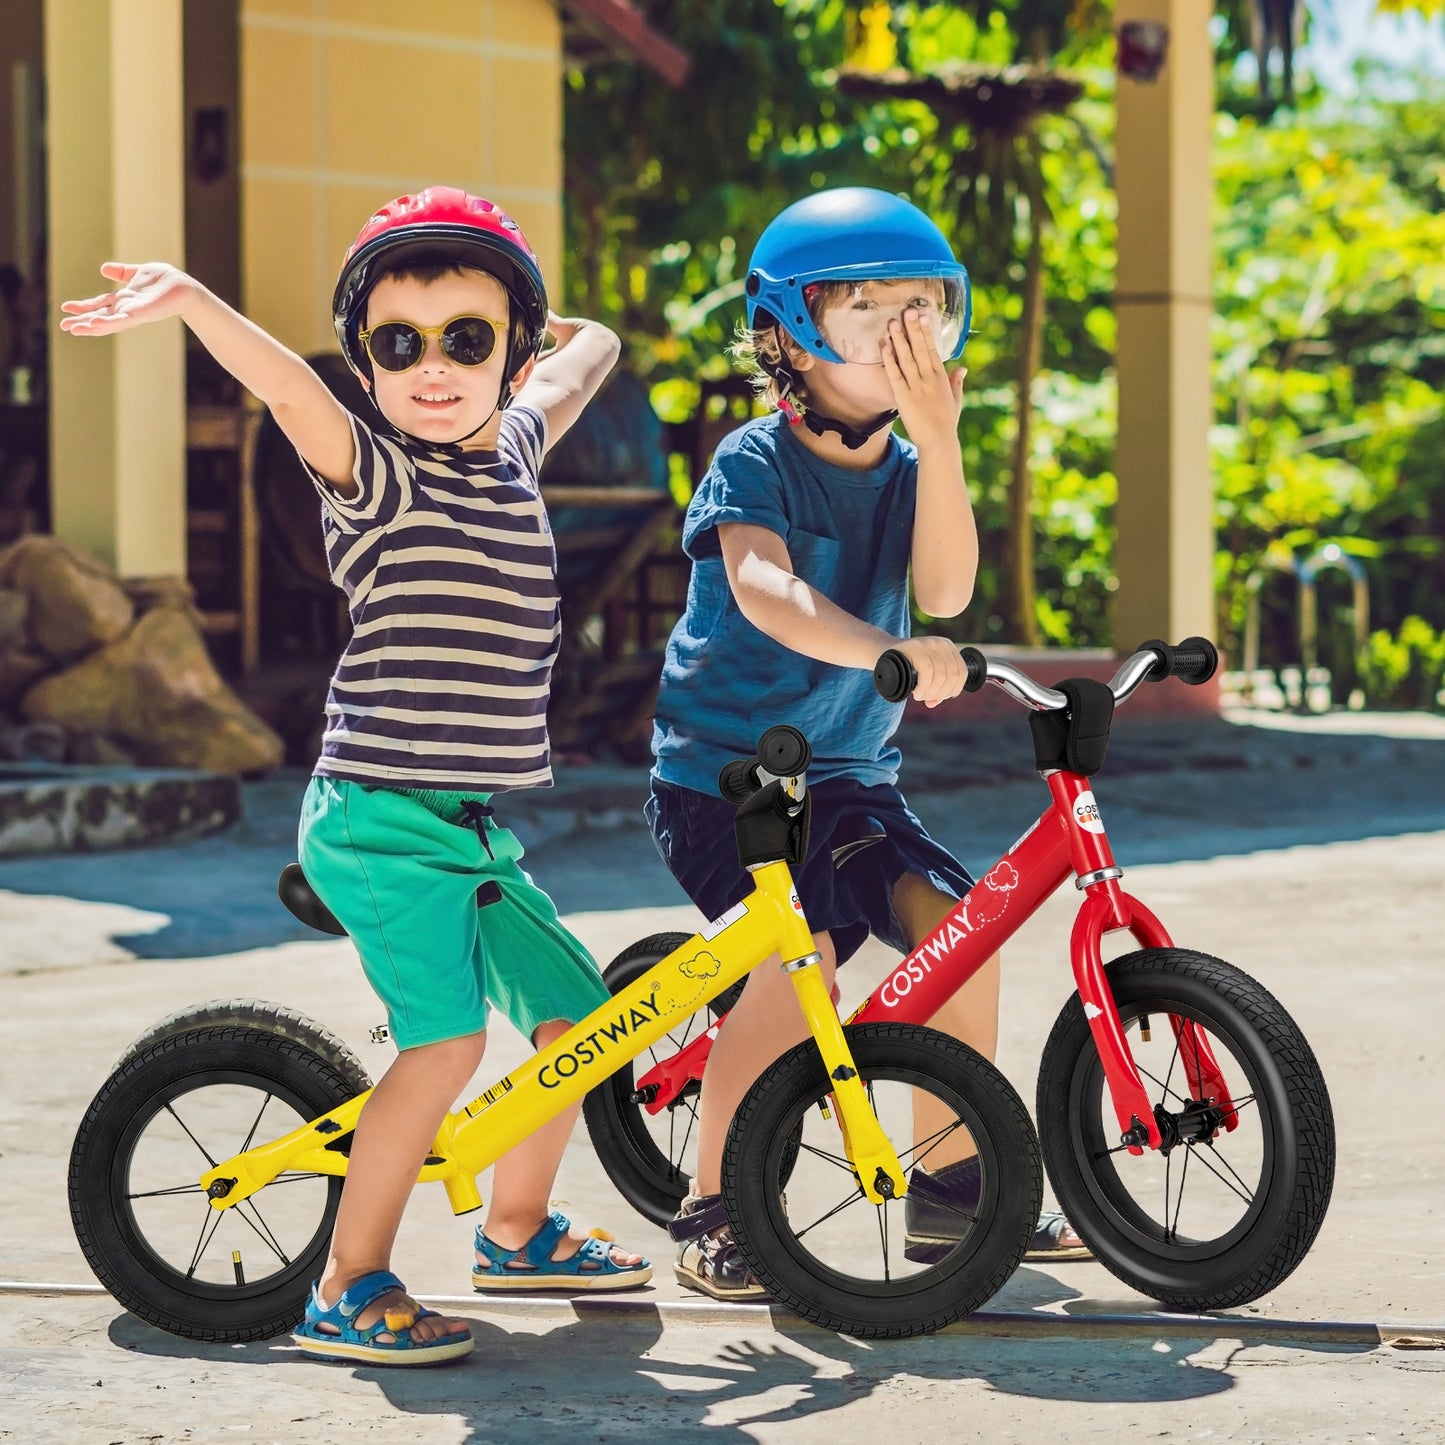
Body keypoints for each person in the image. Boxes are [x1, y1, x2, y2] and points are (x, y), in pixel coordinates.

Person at [61, 187, 650, 1365]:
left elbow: (594, 350)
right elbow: (285, 384)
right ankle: (348, 1279)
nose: (433, 367)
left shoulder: (517, 446)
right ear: (366, 369)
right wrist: (191, 301)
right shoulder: (375, 475)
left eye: (466, 338)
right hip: (377, 819)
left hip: (465, 825)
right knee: (443, 1046)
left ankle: (517, 1230)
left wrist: (520, 293)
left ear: (509, 349)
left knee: (576, 1025)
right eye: (398, 344)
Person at [646, 186, 1089, 1299]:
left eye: (920, 315)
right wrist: (871, 649)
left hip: (848, 775)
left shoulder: (907, 468)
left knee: (959, 933)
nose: (898, 342)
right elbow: (764, 591)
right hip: (723, 779)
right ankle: (712, 1210)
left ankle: (948, 1195)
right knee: (795, 965)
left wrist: (938, 443)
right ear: (788, 336)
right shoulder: (754, 461)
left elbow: (941, 588)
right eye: (863, 318)